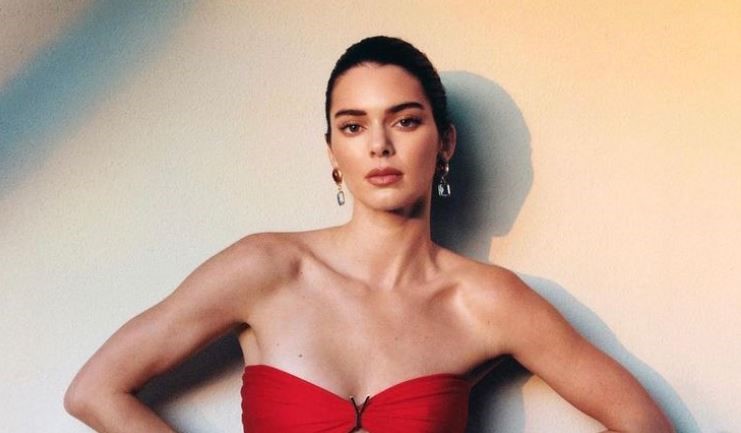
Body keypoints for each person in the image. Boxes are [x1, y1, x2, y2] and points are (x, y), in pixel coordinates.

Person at [64, 36, 674, 433]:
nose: (379, 145)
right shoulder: (267, 268)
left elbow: (644, 422)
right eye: (353, 127)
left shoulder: (484, 301)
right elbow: (96, 391)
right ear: (333, 152)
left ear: (445, 143)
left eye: (404, 121)